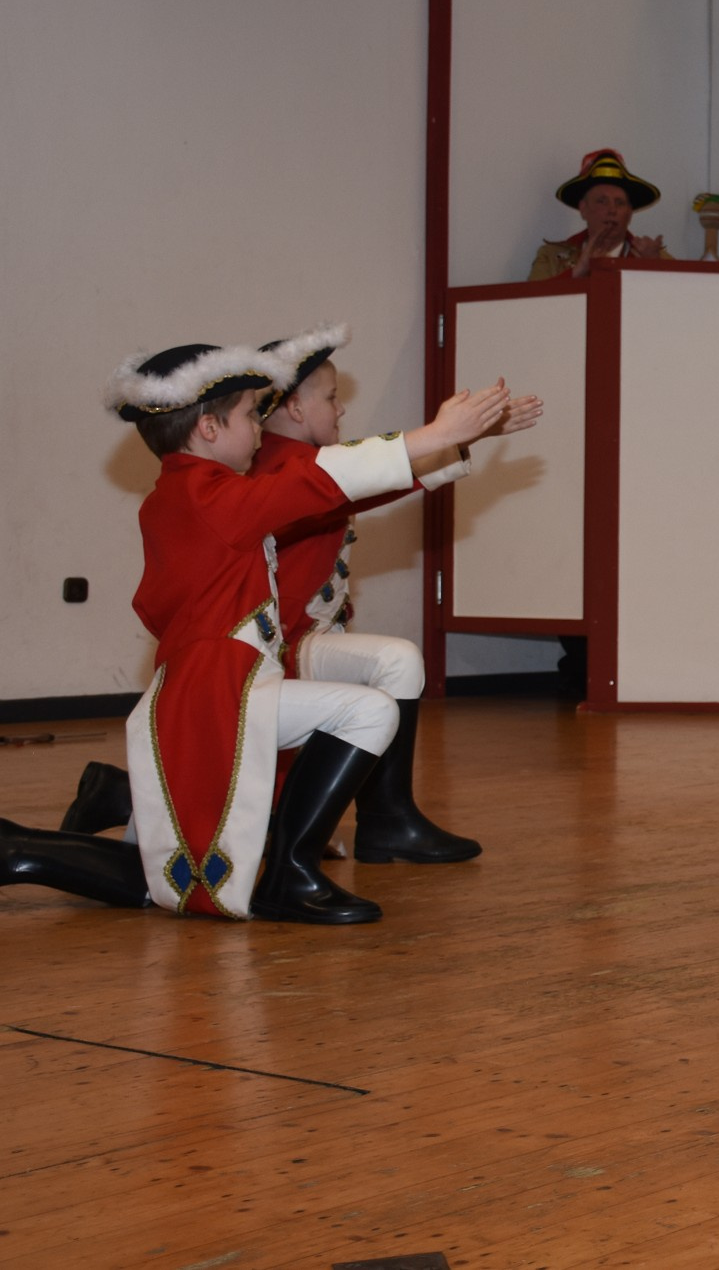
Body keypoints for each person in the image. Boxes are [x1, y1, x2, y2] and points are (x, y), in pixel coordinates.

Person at [4, 344, 510, 924]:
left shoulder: (195, 492)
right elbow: (317, 482)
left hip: (219, 686)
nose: (258, 427)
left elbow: (326, 493)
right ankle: (290, 873)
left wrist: (442, 446)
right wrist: (434, 435)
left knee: (164, 875)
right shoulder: (206, 496)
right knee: (367, 712)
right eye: (249, 414)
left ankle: (16, 847)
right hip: (217, 689)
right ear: (209, 428)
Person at [253, 325, 541, 864]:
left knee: (399, 659)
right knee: (395, 661)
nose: (341, 409)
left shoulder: (293, 463)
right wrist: (445, 434)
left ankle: (388, 818)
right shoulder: (284, 468)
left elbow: (370, 478)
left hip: (297, 640)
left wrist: (462, 437)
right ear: (293, 407)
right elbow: (367, 474)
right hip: (274, 650)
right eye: (331, 397)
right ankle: (383, 820)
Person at [528, 149, 671, 280]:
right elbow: (532, 298)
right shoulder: (551, 257)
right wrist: (579, 271)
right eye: (602, 201)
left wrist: (654, 267)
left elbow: (680, 296)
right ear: (583, 209)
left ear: (629, 212)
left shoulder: (656, 258)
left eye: (620, 203)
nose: (612, 210)